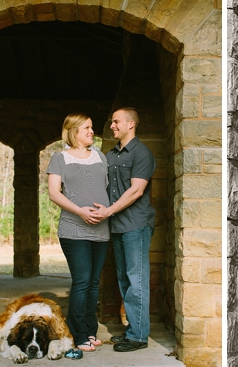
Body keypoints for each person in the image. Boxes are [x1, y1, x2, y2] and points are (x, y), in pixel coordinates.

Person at [89, 107, 156, 353]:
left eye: (117, 122)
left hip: (136, 225)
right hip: (116, 227)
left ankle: (139, 336)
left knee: (136, 281)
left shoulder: (142, 153)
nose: (112, 126)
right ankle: (132, 331)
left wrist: (108, 211)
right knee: (124, 279)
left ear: (131, 124)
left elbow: (137, 190)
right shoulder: (111, 155)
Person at [46, 113, 110, 352]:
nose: (92, 131)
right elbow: (54, 193)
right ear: (73, 131)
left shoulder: (100, 156)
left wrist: (106, 210)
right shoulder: (59, 158)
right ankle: (78, 333)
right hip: (74, 229)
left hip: (101, 228)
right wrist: (81, 212)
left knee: (94, 283)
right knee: (82, 281)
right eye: (87, 128)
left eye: (92, 127)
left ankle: (90, 330)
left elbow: (105, 189)